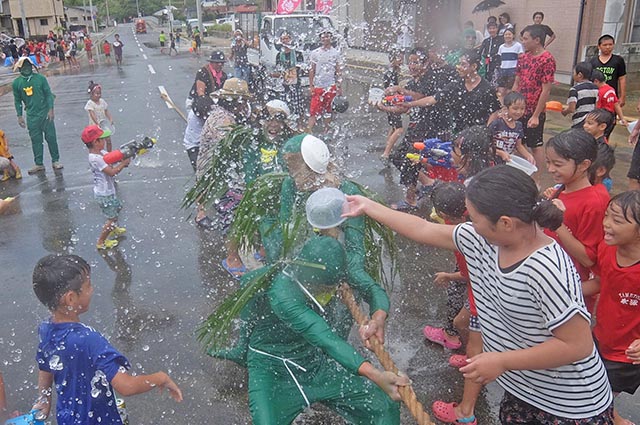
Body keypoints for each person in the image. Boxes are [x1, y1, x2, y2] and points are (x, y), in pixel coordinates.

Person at [343, 165, 614, 424]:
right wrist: (369, 206)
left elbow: (578, 345)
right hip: (524, 388)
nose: (468, 222)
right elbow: (424, 228)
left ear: (506, 223)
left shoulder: (546, 267)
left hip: (570, 405)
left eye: (473, 217)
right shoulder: (481, 239)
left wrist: (502, 360)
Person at [210, 236, 407, 424]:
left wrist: (378, 318)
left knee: (383, 404)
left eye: (332, 286)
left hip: (314, 363)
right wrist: (376, 375)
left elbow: (372, 289)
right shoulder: (282, 293)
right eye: (323, 287)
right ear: (306, 279)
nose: (329, 292)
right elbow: (326, 338)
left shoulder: (335, 268)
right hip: (272, 368)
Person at [31, 254, 182, 424]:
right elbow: (127, 386)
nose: (92, 289)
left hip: (67, 418)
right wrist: (160, 378)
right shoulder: (89, 340)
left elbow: (45, 365)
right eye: (88, 286)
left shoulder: (46, 329)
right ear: (71, 298)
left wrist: (44, 399)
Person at [583, 191, 640, 425]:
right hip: (602, 336)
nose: (606, 224)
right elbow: (601, 281)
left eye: (617, 220)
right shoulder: (607, 248)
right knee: (597, 391)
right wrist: (565, 292)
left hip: (627, 355)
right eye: (607, 216)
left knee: (599, 394)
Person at [543, 129, 609, 313]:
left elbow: (588, 259)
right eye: (548, 162)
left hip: (569, 292)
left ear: (583, 165)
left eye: (558, 164)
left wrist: (557, 224)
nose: (550, 169)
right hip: (549, 278)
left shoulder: (594, 203)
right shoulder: (562, 189)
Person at [195, 78, 252, 277]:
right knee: (233, 216)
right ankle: (231, 258)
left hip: (218, 175)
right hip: (215, 177)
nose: (245, 105)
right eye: (242, 101)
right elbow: (232, 148)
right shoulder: (223, 120)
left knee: (234, 213)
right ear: (234, 101)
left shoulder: (225, 114)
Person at [422, 183, 468, 353]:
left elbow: (468, 274)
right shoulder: (471, 214)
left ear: (442, 213)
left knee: (455, 294)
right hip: (475, 268)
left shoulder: (461, 238)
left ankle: (451, 336)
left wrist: (449, 276)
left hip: (475, 275)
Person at [184, 50, 228, 229]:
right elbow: (201, 94)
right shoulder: (197, 117)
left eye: (221, 62)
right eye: (216, 62)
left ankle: (217, 201)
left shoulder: (223, 76)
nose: (218, 65)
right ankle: (200, 213)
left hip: (209, 141)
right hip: (195, 145)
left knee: (217, 174)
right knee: (202, 177)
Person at [513, 24, 556, 180]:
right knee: (517, 142)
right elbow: (517, 82)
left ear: (537, 40)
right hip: (518, 108)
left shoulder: (547, 59)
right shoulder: (523, 57)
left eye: (525, 39)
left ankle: (536, 179)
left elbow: (546, 90)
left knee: (535, 145)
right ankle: (523, 173)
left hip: (534, 109)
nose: (523, 42)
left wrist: (536, 115)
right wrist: (509, 105)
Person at [12, 56, 62, 174]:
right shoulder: (17, 83)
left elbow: (48, 94)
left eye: (28, 66)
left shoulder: (40, 79)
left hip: (45, 113)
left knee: (51, 138)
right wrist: (19, 116)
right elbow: (17, 100)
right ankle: (39, 163)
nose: (26, 68)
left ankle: (55, 160)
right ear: (19, 69)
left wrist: (51, 109)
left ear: (32, 67)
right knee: (36, 140)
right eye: (24, 67)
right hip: (32, 116)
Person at [82, 125, 129, 250]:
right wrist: (123, 164)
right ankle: (101, 242)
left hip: (109, 191)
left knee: (118, 207)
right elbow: (111, 172)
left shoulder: (101, 152)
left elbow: (113, 158)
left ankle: (113, 228)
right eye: (102, 139)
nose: (105, 141)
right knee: (111, 218)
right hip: (104, 194)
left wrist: (125, 154)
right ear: (95, 142)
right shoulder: (95, 159)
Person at [307, 29, 343, 134]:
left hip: (330, 86)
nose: (325, 39)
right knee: (313, 111)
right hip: (318, 86)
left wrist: (339, 86)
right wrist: (311, 85)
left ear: (331, 38)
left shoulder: (335, 53)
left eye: (327, 36)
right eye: (323, 37)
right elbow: (311, 70)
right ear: (320, 39)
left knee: (329, 110)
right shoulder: (315, 53)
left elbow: (338, 70)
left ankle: (327, 130)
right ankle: (308, 131)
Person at [490, 92, 534, 164]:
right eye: (515, 108)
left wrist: (528, 155)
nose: (519, 112)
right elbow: (486, 145)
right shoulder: (497, 123)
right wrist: (500, 153)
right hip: (492, 161)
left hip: (507, 161)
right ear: (506, 108)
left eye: (522, 108)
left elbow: (518, 145)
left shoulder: (519, 125)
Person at [273, 31, 304, 123]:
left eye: (287, 38)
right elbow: (279, 71)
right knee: (284, 108)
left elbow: (301, 69)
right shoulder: (279, 55)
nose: (285, 41)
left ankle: (299, 126)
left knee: (298, 108)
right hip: (284, 86)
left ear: (291, 40)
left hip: (295, 85)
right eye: (283, 39)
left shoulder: (298, 54)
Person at [590, 35, 627, 107]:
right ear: (599, 46)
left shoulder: (618, 60)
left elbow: (622, 78)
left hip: (611, 96)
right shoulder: (593, 61)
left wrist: (622, 97)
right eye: (605, 45)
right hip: (596, 95)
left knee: (611, 116)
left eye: (610, 44)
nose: (608, 47)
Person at [381, 50, 404, 164]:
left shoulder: (392, 71)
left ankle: (387, 151)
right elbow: (390, 90)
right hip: (391, 103)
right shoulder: (391, 73)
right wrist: (400, 100)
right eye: (399, 58)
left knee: (393, 127)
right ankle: (386, 153)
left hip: (389, 102)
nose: (401, 61)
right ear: (393, 59)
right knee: (399, 129)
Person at [562, 61, 598, 129]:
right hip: (591, 121)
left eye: (574, 73)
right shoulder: (596, 88)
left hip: (579, 121)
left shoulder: (574, 89)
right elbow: (597, 105)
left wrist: (564, 112)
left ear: (579, 75)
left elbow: (571, 108)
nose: (573, 75)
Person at [592, 69, 627, 138]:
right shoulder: (611, 89)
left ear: (596, 81)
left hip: (601, 119)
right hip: (611, 119)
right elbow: (616, 104)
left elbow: (597, 108)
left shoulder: (599, 92)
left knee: (598, 138)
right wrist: (622, 118)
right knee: (605, 138)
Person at [85, 81, 114, 151]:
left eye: (100, 93)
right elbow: (92, 114)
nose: (99, 95)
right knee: (97, 142)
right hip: (94, 126)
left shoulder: (102, 101)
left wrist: (110, 119)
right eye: (96, 94)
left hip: (103, 125)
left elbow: (106, 111)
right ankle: (98, 154)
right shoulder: (90, 103)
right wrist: (97, 123)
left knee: (108, 140)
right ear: (91, 94)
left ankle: (109, 154)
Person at [496, 28, 523, 96]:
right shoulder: (501, 47)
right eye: (506, 34)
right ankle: (502, 106)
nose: (507, 36)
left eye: (509, 34)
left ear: (513, 35)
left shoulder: (518, 46)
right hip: (502, 71)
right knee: (501, 91)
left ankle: (508, 106)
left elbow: (521, 59)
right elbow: (499, 60)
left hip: (513, 71)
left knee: (509, 92)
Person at [479, 21, 503, 86]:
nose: (492, 30)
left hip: (497, 65)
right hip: (487, 66)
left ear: (497, 29)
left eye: (493, 28)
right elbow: (480, 52)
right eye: (490, 28)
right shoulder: (486, 41)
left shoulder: (501, 40)